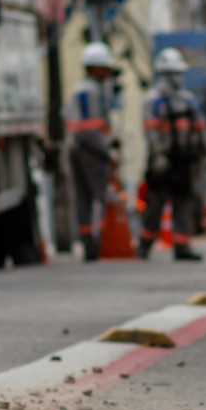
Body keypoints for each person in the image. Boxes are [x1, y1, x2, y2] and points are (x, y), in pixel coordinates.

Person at [140, 47, 206, 262]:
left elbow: (200, 129)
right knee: (155, 204)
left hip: (184, 160)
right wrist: (157, 155)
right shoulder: (153, 100)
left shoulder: (189, 100)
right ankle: (145, 244)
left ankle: (182, 247)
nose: (176, 78)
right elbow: (151, 131)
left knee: (184, 203)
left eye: (178, 72)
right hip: (163, 160)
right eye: (172, 73)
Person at [64, 41, 119, 261]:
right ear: (94, 68)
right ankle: (96, 244)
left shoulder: (85, 90)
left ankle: (89, 243)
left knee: (83, 198)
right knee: (98, 196)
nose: (108, 72)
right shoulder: (90, 92)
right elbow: (90, 129)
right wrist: (107, 151)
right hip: (90, 151)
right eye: (105, 67)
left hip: (80, 148)